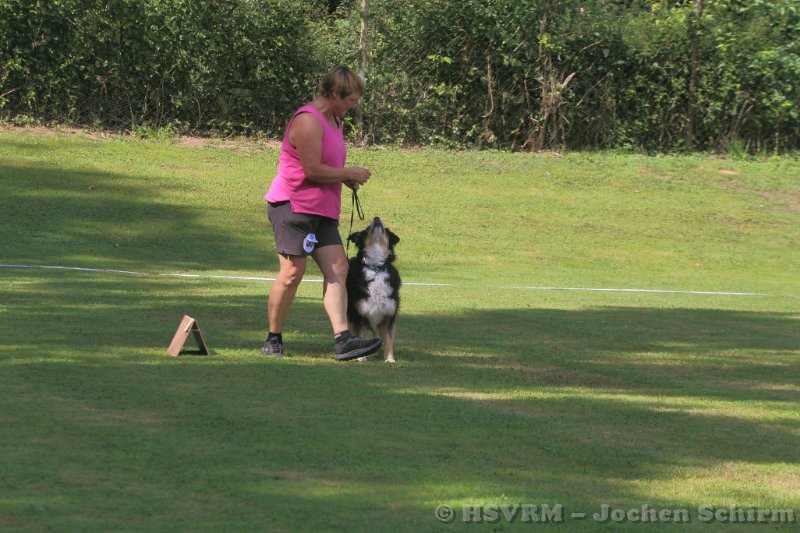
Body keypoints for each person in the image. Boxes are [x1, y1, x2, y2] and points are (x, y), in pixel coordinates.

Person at [261, 65, 382, 361]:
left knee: (338, 268)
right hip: (293, 206)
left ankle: (343, 340)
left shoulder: (335, 121)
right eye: (350, 100)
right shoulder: (308, 121)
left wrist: (343, 177)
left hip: (322, 209)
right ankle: (273, 339)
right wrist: (348, 172)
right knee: (292, 272)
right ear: (334, 94)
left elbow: (327, 165)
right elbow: (312, 170)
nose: (352, 107)